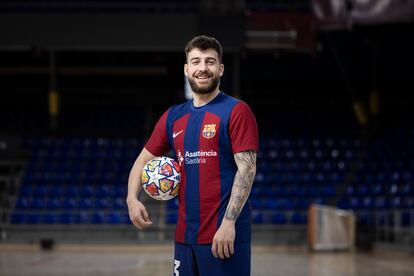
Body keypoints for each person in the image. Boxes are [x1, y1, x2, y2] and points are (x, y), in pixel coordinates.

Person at [126, 35, 258, 276]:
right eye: (196, 61)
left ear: (220, 68)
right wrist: (131, 199)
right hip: (185, 239)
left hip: (224, 238)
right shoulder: (173, 116)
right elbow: (142, 160)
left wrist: (228, 223)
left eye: (210, 62)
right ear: (187, 69)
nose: (202, 68)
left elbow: (247, 169)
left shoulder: (237, 111)